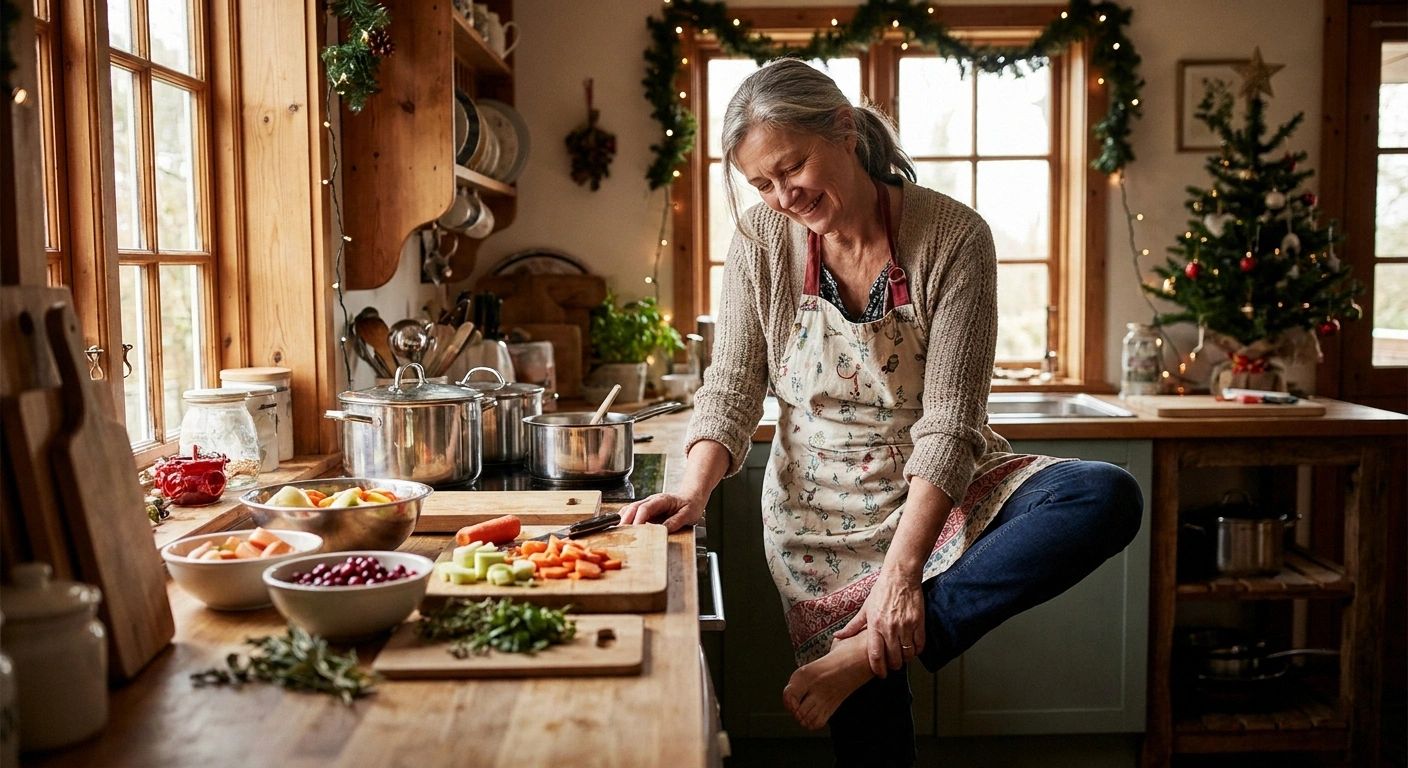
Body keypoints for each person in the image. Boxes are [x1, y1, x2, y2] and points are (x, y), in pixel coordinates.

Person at [621, 58, 1143, 767]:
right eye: (763, 184)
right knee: (876, 752)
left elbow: (951, 422)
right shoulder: (761, 243)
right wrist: (692, 490)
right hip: (816, 522)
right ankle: (869, 654)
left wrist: (902, 578)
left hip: (937, 487)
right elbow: (734, 386)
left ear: (843, 129)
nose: (783, 196)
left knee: (1103, 495)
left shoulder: (954, 238)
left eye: (792, 167)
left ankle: (868, 653)